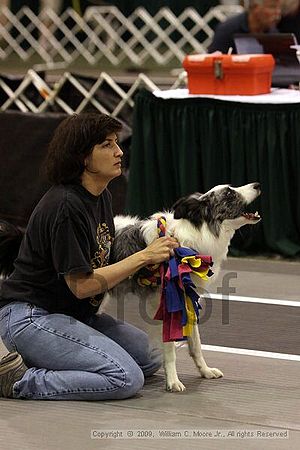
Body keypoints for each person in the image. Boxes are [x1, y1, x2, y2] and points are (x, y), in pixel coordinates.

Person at [0, 113, 179, 400]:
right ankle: (20, 380)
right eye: (107, 145)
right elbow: (82, 286)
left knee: (149, 359)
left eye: (117, 143)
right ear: (84, 158)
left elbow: (100, 263)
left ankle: (53, 356)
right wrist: (143, 257)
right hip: (30, 317)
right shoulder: (66, 206)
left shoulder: (101, 196)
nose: (119, 152)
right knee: (125, 377)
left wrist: (147, 271)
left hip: (72, 314)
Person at [208, 0, 282, 53]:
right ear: (255, 7)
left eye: (279, 8)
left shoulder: (273, 32)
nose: (277, 12)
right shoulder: (227, 30)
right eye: (272, 7)